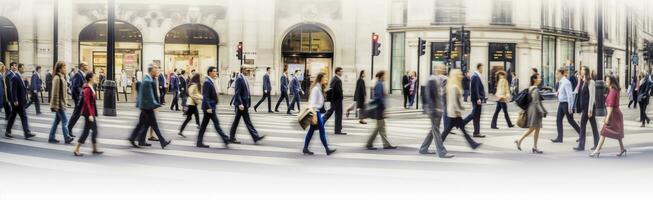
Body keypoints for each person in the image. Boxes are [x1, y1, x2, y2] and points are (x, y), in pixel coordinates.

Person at [128, 66, 172, 149]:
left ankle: (136, 139)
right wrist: (156, 104)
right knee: (154, 125)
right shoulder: (147, 81)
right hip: (147, 107)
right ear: (151, 71)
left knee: (142, 124)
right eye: (155, 70)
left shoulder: (147, 79)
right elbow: (149, 97)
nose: (157, 72)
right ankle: (163, 142)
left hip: (144, 107)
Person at [440, 69, 482, 150]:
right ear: (456, 76)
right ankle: (473, 144)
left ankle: (473, 144)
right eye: (459, 74)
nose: (461, 76)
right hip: (454, 113)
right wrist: (460, 109)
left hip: (454, 113)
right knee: (450, 130)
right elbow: (454, 101)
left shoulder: (453, 85)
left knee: (458, 129)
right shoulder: (454, 87)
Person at [419, 65, 454, 158]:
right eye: (441, 68)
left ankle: (423, 148)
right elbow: (428, 97)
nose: (443, 69)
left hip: (437, 109)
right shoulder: (432, 80)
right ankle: (442, 152)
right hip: (434, 110)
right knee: (436, 131)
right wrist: (434, 109)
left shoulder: (438, 79)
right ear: (437, 69)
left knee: (433, 130)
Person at [590, 75, 626, 158]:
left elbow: (610, 107)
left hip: (613, 115)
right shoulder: (612, 90)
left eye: (607, 80)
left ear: (611, 81)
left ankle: (597, 150)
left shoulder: (613, 91)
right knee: (616, 133)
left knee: (603, 132)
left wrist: (607, 117)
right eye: (605, 80)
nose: (606, 82)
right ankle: (622, 149)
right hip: (616, 114)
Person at [302, 72, 337, 155]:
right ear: (320, 78)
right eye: (324, 78)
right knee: (321, 129)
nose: (326, 79)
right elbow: (312, 102)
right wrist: (313, 114)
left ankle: (305, 148)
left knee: (311, 130)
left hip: (316, 111)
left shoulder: (319, 88)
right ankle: (327, 149)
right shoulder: (316, 89)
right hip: (315, 112)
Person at [229, 68, 266, 144]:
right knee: (243, 121)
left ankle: (232, 137)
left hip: (244, 104)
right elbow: (237, 92)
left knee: (241, 121)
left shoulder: (244, 78)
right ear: (243, 70)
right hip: (241, 104)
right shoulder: (239, 78)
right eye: (247, 70)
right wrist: (240, 104)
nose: (249, 71)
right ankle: (254, 137)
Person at [196, 67, 230, 148]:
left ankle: (199, 142)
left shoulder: (210, 81)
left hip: (210, 107)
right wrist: (208, 107)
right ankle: (225, 139)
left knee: (204, 125)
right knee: (216, 124)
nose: (216, 73)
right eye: (214, 71)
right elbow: (206, 96)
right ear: (210, 72)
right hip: (209, 108)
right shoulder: (207, 82)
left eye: (216, 71)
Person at [514, 73, 547, 154]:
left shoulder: (531, 88)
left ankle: (535, 147)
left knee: (537, 129)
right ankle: (519, 140)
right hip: (535, 112)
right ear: (534, 79)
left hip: (533, 110)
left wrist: (543, 110)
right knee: (532, 129)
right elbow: (536, 102)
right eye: (539, 78)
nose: (540, 79)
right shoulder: (535, 89)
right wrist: (542, 111)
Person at [73, 72, 103, 156]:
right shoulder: (87, 88)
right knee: (90, 131)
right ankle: (77, 149)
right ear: (90, 78)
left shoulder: (91, 87)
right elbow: (87, 102)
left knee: (88, 131)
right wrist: (90, 114)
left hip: (91, 112)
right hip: (88, 113)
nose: (96, 78)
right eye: (95, 77)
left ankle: (93, 149)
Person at [365, 71, 397, 150]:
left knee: (381, 127)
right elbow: (379, 98)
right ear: (381, 76)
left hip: (379, 108)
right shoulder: (379, 84)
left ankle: (385, 144)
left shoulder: (379, 83)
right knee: (379, 127)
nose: (386, 77)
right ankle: (370, 143)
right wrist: (384, 109)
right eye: (385, 75)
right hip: (379, 109)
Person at [5, 63, 35, 139]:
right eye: (23, 68)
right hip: (18, 102)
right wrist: (15, 100)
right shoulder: (15, 77)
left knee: (13, 116)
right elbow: (13, 90)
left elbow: (22, 88)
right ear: (19, 68)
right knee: (23, 116)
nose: (24, 69)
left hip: (20, 101)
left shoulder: (20, 77)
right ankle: (27, 133)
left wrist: (26, 82)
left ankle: (8, 131)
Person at [551, 69, 581, 143]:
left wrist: (570, 106)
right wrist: (558, 93)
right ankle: (559, 138)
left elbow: (569, 95)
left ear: (562, 74)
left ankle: (581, 134)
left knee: (570, 120)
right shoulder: (561, 82)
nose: (556, 75)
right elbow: (561, 91)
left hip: (566, 104)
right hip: (561, 103)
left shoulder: (566, 82)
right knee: (558, 120)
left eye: (557, 73)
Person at [49, 61, 74, 144]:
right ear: (59, 69)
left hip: (61, 103)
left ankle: (51, 137)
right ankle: (67, 137)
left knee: (56, 122)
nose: (65, 69)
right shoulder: (57, 78)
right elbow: (55, 93)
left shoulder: (62, 77)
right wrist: (55, 105)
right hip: (58, 105)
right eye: (64, 67)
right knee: (65, 121)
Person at [575, 66, 599, 151]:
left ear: (586, 71)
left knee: (585, 125)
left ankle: (582, 146)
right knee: (592, 126)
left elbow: (592, 97)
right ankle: (596, 144)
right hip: (584, 108)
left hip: (588, 108)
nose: (580, 71)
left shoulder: (591, 82)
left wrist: (590, 110)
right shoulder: (583, 81)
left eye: (582, 69)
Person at [463, 63, 486, 138]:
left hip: (476, 99)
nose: (482, 69)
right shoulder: (475, 76)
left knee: (476, 116)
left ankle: (476, 132)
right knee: (475, 114)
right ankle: (461, 123)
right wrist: (478, 98)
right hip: (477, 99)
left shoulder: (476, 76)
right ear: (478, 68)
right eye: (482, 68)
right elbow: (475, 89)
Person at [67, 63, 89, 137]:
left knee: (77, 114)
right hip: (78, 98)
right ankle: (69, 129)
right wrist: (80, 95)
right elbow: (75, 87)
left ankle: (69, 129)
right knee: (76, 114)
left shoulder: (83, 74)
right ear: (82, 67)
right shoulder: (77, 74)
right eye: (86, 65)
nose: (87, 66)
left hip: (81, 98)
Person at [323, 67, 346, 135]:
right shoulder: (337, 80)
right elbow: (337, 91)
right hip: (337, 100)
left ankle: (337, 130)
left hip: (335, 99)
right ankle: (337, 130)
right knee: (337, 114)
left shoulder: (334, 79)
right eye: (341, 71)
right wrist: (341, 95)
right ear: (337, 72)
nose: (342, 73)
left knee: (332, 113)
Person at [178, 73, 202, 138]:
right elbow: (191, 94)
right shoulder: (193, 85)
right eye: (200, 77)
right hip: (191, 103)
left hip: (193, 103)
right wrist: (200, 98)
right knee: (192, 116)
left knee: (189, 118)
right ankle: (199, 126)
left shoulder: (193, 84)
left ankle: (181, 131)